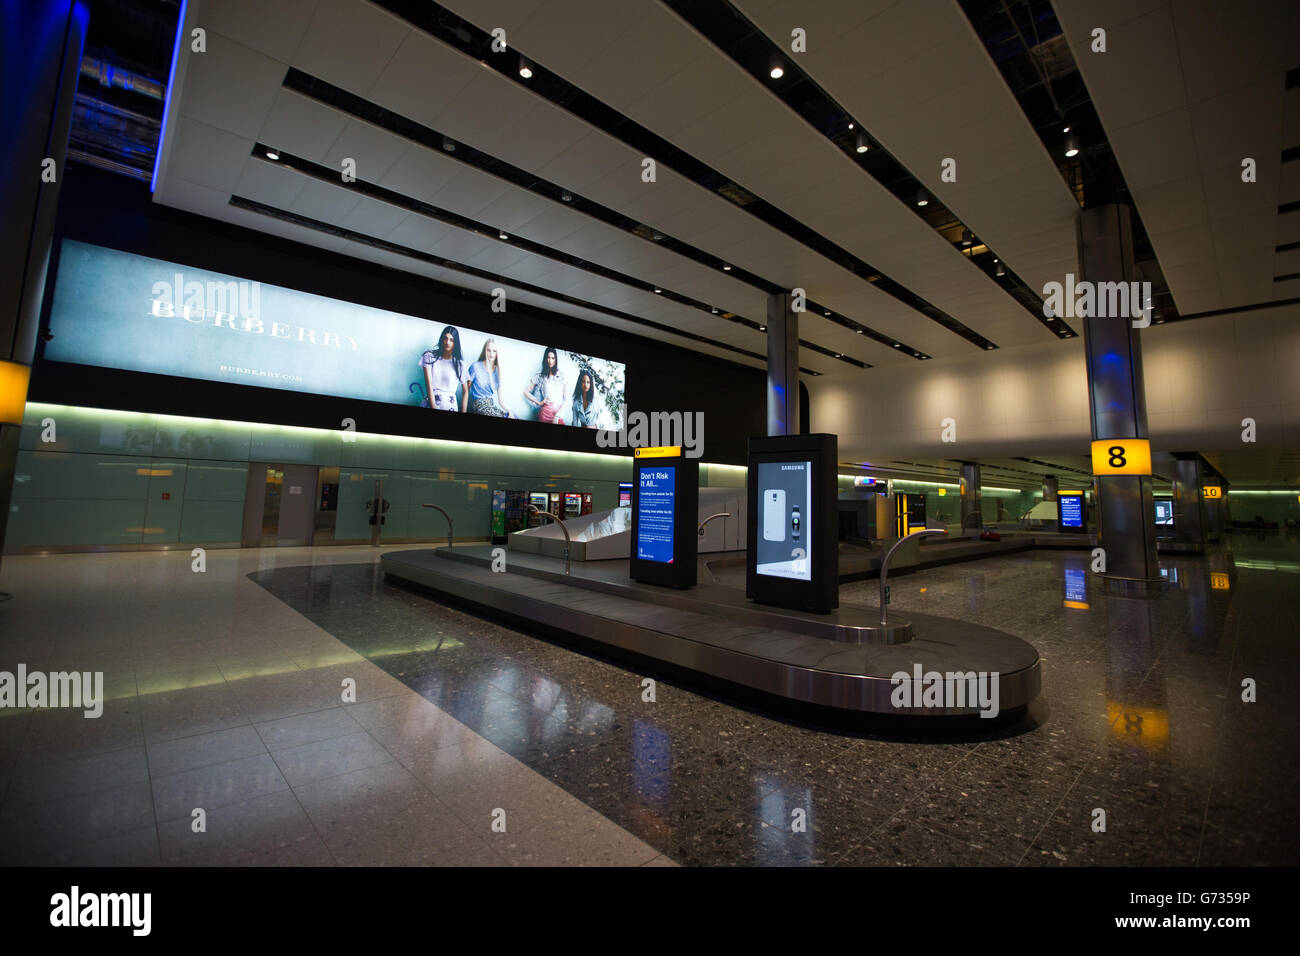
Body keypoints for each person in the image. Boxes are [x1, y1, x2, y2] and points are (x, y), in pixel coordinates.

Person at [421, 326, 468, 412]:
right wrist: (433, 406)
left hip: (451, 406)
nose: (447, 342)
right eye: (445, 338)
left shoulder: (460, 364)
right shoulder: (429, 356)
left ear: (455, 343)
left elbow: (465, 391)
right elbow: (429, 386)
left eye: (451, 340)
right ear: (441, 339)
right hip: (432, 403)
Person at [466, 339, 513, 417]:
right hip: (478, 404)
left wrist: (509, 411)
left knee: (511, 416)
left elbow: (500, 400)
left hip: (491, 405)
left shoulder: (498, 372)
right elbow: (465, 391)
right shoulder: (475, 366)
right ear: (485, 351)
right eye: (488, 350)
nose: (491, 354)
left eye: (494, 351)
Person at [524, 346, 567, 424]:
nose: (550, 361)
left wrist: (558, 415)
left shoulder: (561, 376)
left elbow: (566, 399)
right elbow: (525, 392)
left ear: (556, 360)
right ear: (545, 359)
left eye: (553, 358)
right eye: (548, 357)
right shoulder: (540, 376)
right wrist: (539, 403)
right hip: (545, 413)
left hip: (558, 413)